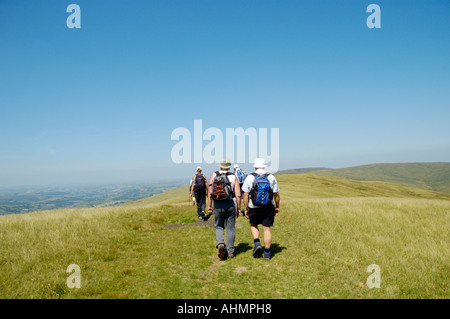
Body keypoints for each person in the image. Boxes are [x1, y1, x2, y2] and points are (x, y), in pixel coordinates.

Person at [242, 158, 280, 260]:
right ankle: (267, 254)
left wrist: (245, 208)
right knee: (266, 229)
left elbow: (245, 195)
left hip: (253, 207)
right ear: (264, 166)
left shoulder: (250, 177)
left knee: (253, 224)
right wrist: (277, 207)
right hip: (268, 206)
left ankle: (257, 242)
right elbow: (276, 194)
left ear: (255, 166)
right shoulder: (271, 177)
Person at [208, 158, 241, 260]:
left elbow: (210, 193)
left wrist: (210, 206)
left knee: (219, 226)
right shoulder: (233, 176)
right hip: (230, 204)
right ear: (229, 166)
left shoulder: (213, 175)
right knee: (230, 228)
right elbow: (238, 195)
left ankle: (221, 243)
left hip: (218, 204)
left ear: (220, 165)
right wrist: (238, 208)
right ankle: (230, 252)